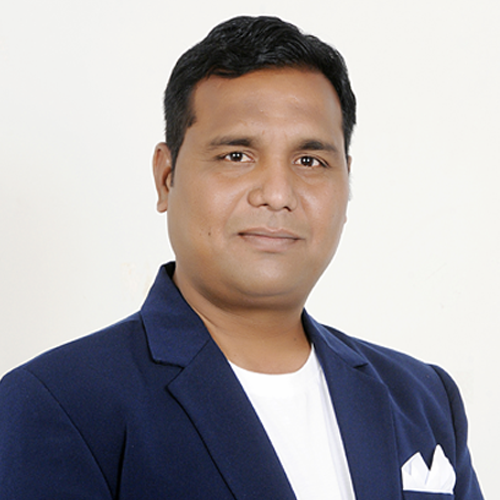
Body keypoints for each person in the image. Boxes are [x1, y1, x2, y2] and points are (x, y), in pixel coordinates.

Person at [0, 15, 483, 500]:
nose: (277, 194)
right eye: (237, 156)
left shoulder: (421, 398)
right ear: (166, 177)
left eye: (310, 161)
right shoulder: (59, 403)